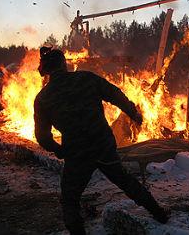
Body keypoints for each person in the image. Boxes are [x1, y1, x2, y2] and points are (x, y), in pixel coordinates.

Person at [34, 47, 169, 235]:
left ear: (46, 70)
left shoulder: (43, 98)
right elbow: (115, 94)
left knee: (70, 199)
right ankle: (159, 213)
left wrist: (60, 150)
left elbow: (42, 137)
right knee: (125, 181)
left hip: (77, 152)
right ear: (64, 64)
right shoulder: (86, 78)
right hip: (102, 144)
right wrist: (133, 113)